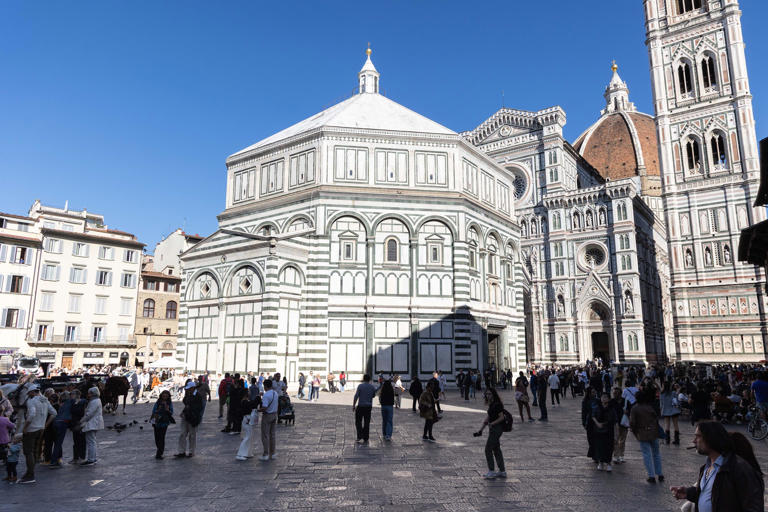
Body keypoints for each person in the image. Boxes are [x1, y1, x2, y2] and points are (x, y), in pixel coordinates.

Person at [670, 421, 764, 512]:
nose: (694, 441)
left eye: (698, 436)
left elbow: (753, 506)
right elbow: (715, 496)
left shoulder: (738, 468)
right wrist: (688, 492)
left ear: (711, 438)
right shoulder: (706, 467)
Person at [19, 384, 56, 483]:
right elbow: (54, 413)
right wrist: (45, 425)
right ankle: (29, 473)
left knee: (28, 452)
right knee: (34, 451)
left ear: (32, 392)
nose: (29, 394)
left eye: (29, 393)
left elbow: (31, 415)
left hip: (32, 429)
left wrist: (25, 428)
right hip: (40, 429)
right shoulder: (45, 401)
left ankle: (30, 475)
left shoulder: (31, 401)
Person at [630, 388, 663, 483]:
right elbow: (656, 418)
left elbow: (632, 422)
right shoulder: (649, 407)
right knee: (656, 454)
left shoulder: (635, 408)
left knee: (647, 454)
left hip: (642, 433)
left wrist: (634, 430)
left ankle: (651, 475)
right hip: (654, 432)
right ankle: (660, 473)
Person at [476, 387, 507, 479]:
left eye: (490, 394)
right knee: (496, 449)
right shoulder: (492, 404)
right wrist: (481, 429)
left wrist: (492, 424)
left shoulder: (497, 404)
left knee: (488, 449)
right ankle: (502, 471)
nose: (488, 396)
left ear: (494, 394)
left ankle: (492, 471)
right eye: (487, 394)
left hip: (497, 429)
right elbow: (488, 418)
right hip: (493, 428)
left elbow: (502, 417)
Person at [175, 381, 203, 458]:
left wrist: (190, 408)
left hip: (193, 417)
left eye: (189, 388)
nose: (187, 390)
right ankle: (181, 451)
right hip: (186, 416)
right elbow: (185, 402)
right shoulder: (188, 394)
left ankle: (191, 452)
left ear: (193, 388)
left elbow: (199, 408)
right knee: (182, 433)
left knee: (192, 435)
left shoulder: (198, 396)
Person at [79, 387, 104, 467]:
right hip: (94, 422)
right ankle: (93, 458)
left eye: (89, 393)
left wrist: (81, 421)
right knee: (92, 441)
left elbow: (89, 414)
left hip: (92, 423)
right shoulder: (96, 400)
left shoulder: (94, 401)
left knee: (91, 442)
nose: (88, 395)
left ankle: (91, 459)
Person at [591, 392, 617, 472]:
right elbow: (593, 416)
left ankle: (608, 463)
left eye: (606, 397)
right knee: (599, 447)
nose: (604, 398)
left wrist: (616, 433)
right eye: (602, 397)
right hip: (598, 430)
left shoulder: (612, 409)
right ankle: (601, 462)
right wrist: (597, 423)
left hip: (609, 431)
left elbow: (615, 421)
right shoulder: (597, 407)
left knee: (609, 447)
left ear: (609, 399)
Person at [49, 391, 73, 468]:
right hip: (62, 423)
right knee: (58, 443)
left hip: (56, 422)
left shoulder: (62, 404)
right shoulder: (70, 402)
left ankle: (56, 459)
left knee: (57, 442)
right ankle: (54, 461)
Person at [353, 374, 377, 444]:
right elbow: (373, 395)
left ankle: (359, 436)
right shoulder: (372, 387)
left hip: (360, 406)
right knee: (367, 422)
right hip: (368, 407)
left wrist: (354, 405)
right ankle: (366, 437)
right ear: (369, 379)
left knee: (358, 422)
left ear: (363, 379)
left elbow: (356, 396)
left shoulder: (360, 386)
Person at [150, 390, 174, 459]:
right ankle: (159, 449)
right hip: (157, 422)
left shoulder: (169, 403)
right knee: (157, 438)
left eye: (166, 396)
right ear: (161, 396)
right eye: (164, 396)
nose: (165, 397)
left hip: (164, 422)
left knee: (162, 437)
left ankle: (159, 453)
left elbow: (171, 412)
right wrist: (158, 410)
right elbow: (154, 410)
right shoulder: (158, 402)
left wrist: (167, 410)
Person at [236, 392, 260, 461]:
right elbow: (253, 404)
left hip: (247, 420)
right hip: (247, 420)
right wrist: (258, 397)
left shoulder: (244, 402)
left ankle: (247, 453)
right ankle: (240, 454)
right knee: (247, 437)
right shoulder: (244, 402)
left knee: (250, 436)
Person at [259, 379, 278, 461]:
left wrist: (258, 410)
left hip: (267, 416)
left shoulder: (266, 395)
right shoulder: (275, 393)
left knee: (265, 435)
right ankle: (273, 453)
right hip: (274, 414)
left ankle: (266, 454)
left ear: (265, 386)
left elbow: (265, 407)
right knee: (272, 435)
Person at [660, 381, 681, 445]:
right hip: (674, 410)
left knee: (667, 425)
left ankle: (667, 440)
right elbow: (676, 402)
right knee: (676, 425)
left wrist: (661, 409)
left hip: (666, 410)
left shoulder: (662, 394)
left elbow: (661, 404)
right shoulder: (673, 393)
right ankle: (677, 440)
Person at [69, 389, 87, 464]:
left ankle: (82, 457)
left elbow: (85, 413)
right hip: (74, 423)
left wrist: (81, 423)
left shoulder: (83, 402)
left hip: (81, 423)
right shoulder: (72, 403)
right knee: (75, 441)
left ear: (77, 395)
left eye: (72, 394)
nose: (71, 396)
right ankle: (75, 457)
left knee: (82, 441)